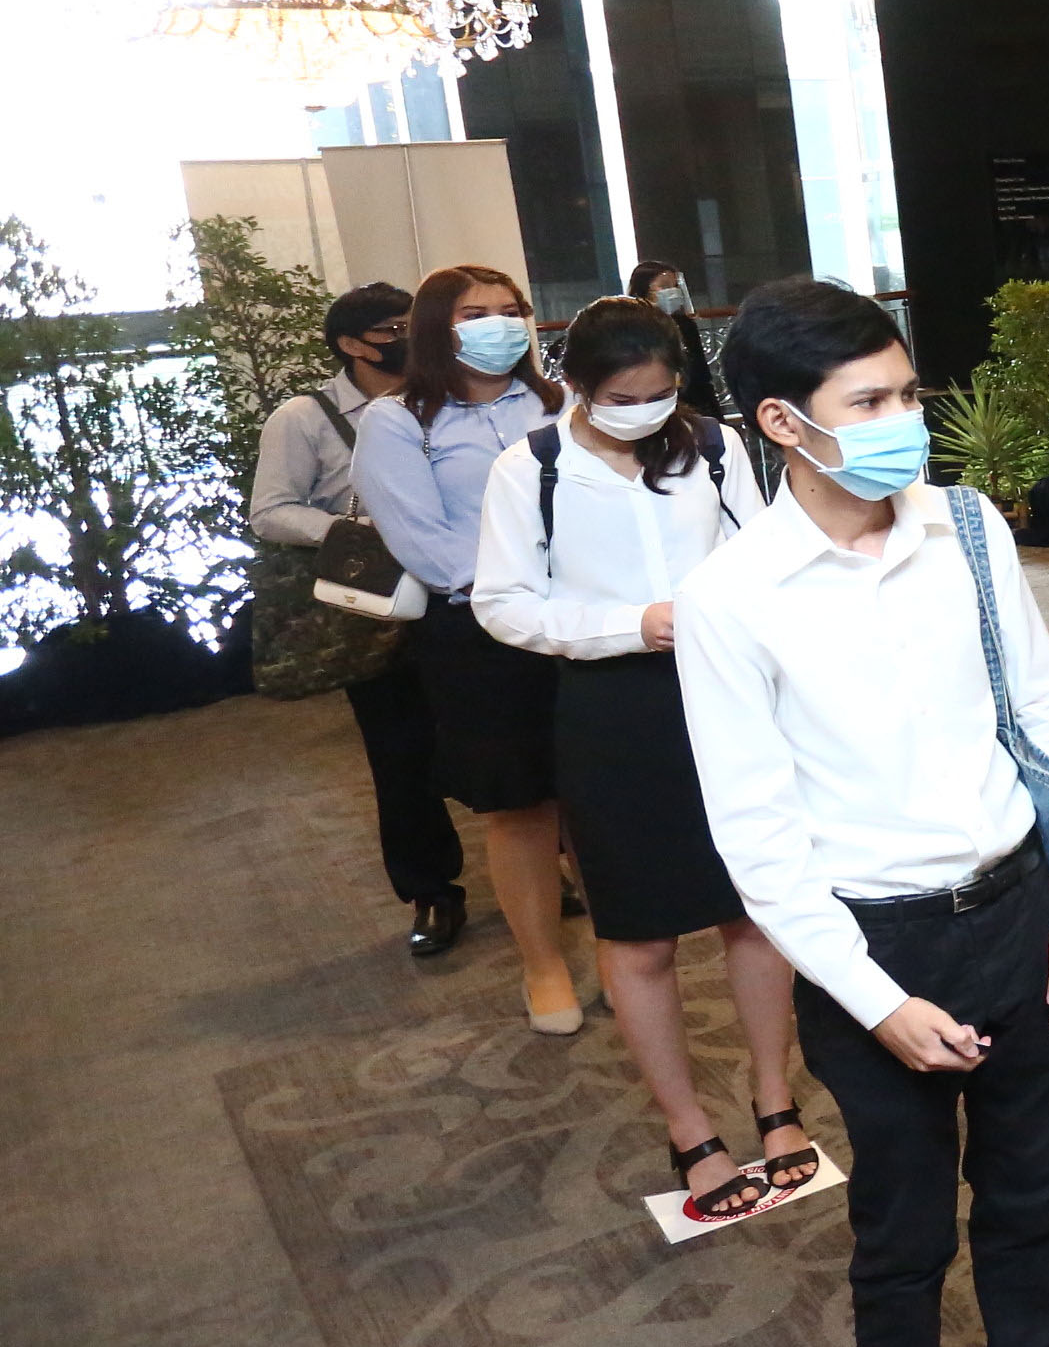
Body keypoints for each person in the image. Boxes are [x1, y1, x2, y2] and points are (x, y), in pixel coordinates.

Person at [674, 279, 1049, 1347]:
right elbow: (759, 843)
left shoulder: (967, 530)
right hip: (872, 945)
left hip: (1021, 912)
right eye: (868, 402)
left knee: (1032, 1189)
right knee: (904, 1227)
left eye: (908, 393)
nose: (903, 422)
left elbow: (1041, 715)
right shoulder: (733, 597)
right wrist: (874, 1002)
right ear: (782, 423)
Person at [470, 297, 809, 1223]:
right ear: (576, 385)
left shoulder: (713, 445)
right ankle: (689, 1127)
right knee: (639, 931)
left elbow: (760, 557)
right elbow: (502, 602)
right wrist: (631, 624)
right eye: (623, 398)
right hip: (611, 708)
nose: (645, 411)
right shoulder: (530, 468)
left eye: (660, 393)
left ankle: (774, 1099)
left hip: (727, 695)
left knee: (755, 909)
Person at [352, 263, 583, 1035]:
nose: (500, 325)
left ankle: (621, 946)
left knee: (595, 794)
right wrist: (522, 588)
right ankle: (544, 965)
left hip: (584, 618)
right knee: (520, 804)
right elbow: (423, 541)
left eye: (511, 310)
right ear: (434, 328)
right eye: (476, 313)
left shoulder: (560, 402)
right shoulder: (397, 421)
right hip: (480, 631)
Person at [249, 280, 466, 957]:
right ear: (351, 344)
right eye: (393, 330)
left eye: (414, 324)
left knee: (498, 734)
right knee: (400, 756)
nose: (409, 338)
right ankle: (431, 890)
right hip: (376, 607)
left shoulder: (451, 398)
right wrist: (356, 531)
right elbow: (270, 511)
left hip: (462, 595)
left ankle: (547, 869)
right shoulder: (304, 417)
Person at [625, 261, 728, 418]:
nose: (673, 292)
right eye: (664, 286)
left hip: (694, 403)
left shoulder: (685, 324)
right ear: (643, 290)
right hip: (656, 406)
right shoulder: (633, 328)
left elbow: (701, 374)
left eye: (675, 286)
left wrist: (715, 415)